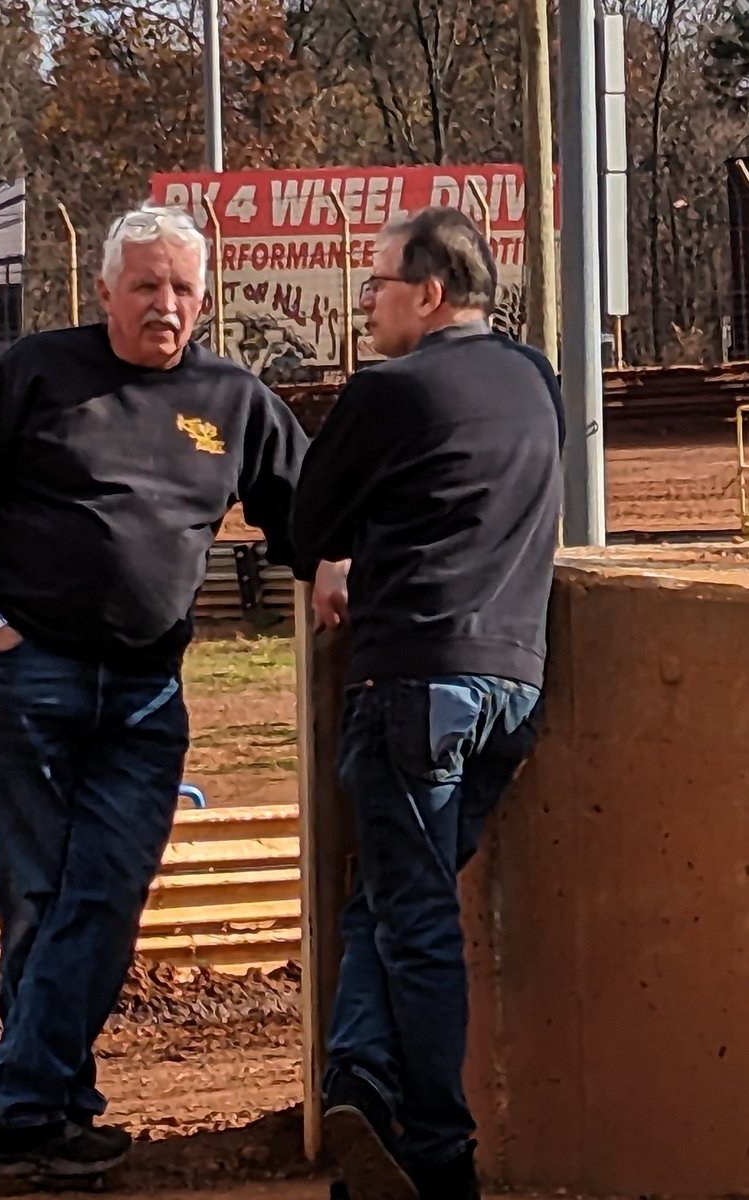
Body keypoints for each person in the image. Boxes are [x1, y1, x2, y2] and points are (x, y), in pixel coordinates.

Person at [0, 202, 321, 1185]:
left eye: (182, 288)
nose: (163, 305)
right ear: (101, 293)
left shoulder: (232, 398)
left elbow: (302, 514)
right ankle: (52, 1113)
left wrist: (347, 560)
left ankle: (14, 1116)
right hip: (30, 676)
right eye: (144, 285)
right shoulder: (38, 373)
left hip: (145, 693)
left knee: (104, 891)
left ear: (205, 298)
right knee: (41, 898)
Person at [291, 207, 565, 1200]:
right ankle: (358, 1076)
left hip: (413, 681)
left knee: (412, 920)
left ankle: (436, 1151)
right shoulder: (535, 380)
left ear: (429, 293)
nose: (365, 305)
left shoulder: (390, 390)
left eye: (375, 287)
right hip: (512, 685)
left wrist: (336, 552)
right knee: (391, 894)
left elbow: (303, 517)